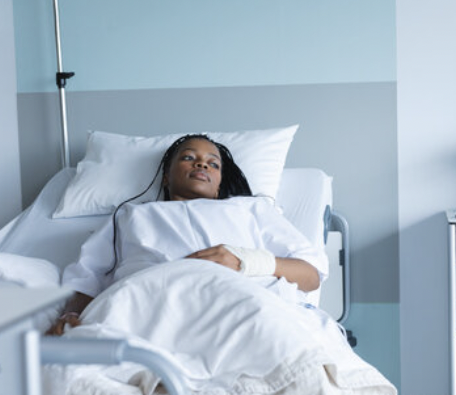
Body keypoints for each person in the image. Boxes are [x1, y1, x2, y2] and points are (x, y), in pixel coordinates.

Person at [46, 134, 327, 335]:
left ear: (219, 183)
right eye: (189, 158)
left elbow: (311, 274)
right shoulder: (132, 215)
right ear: (166, 177)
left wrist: (244, 261)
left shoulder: (250, 208)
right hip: (149, 308)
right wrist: (72, 316)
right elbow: (88, 276)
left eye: (213, 163)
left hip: (240, 302)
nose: (202, 165)